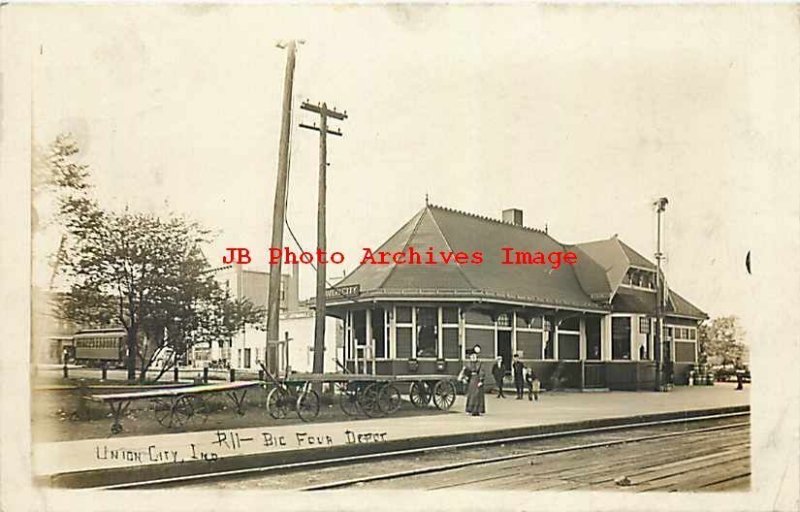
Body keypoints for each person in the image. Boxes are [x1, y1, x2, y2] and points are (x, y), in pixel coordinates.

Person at [458, 345, 486, 416]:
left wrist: (481, 380)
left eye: (474, 356)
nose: (473, 357)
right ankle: (470, 410)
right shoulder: (468, 364)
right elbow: (466, 372)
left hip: (477, 379)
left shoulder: (480, 363)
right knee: (471, 395)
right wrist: (464, 378)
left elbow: (482, 372)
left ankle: (478, 410)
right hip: (471, 381)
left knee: (478, 395)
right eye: (472, 356)